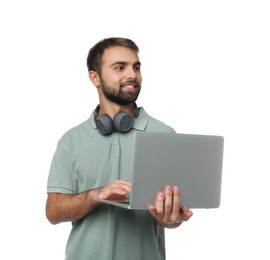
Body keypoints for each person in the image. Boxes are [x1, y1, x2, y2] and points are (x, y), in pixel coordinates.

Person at [46, 37, 193, 260]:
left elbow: (170, 217)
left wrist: (170, 219)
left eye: (136, 67)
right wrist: (95, 195)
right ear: (94, 77)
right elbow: (53, 212)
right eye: (119, 67)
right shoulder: (71, 141)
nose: (132, 74)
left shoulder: (164, 135)